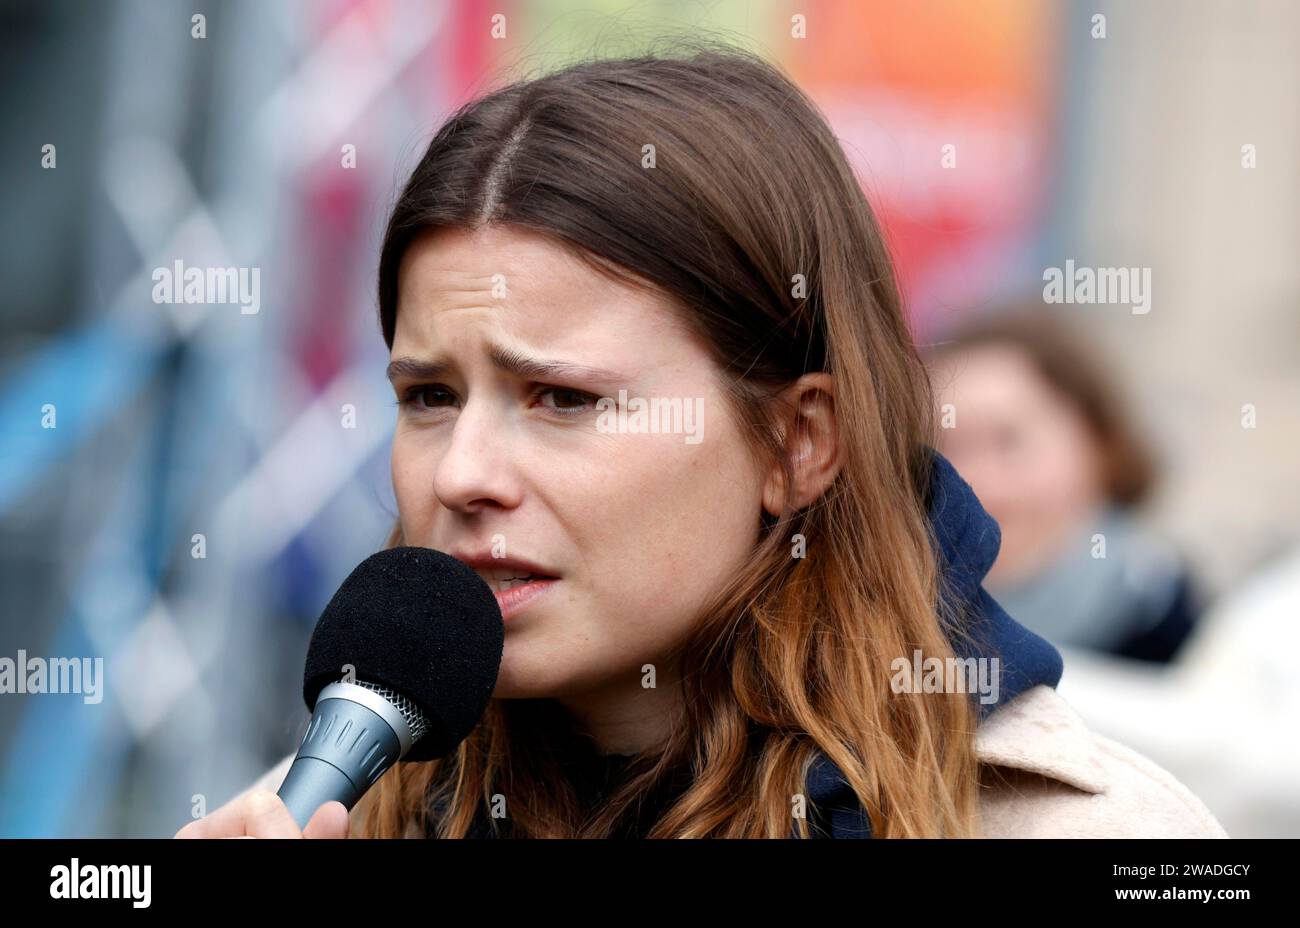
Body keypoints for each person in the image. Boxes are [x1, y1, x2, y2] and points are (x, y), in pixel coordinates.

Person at [175, 44, 1225, 839]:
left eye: (562, 398)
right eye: (430, 396)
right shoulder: (312, 813)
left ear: (796, 442)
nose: (462, 476)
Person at [929, 309, 1202, 664]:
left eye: (1007, 441)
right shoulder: (893, 649)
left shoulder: (1191, 640)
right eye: (946, 447)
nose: (977, 480)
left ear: (1098, 443)